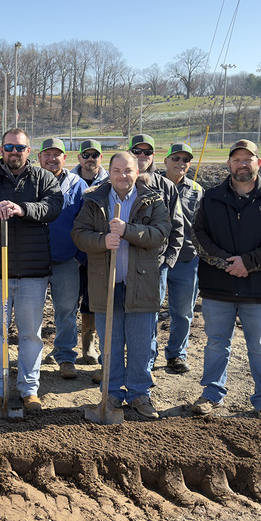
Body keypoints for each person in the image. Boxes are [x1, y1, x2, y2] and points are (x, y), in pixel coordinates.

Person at [191, 140, 261, 423]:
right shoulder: (210, 198)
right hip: (218, 286)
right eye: (236, 159)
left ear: (259, 163)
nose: (242, 164)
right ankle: (211, 394)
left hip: (260, 288)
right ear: (229, 164)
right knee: (215, 344)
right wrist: (227, 263)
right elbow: (198, 235)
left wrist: (248, 262)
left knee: (260, 346)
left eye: (248, 159)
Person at [0, 129, 63, 412]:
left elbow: (54, 205)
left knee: (31, 334)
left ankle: (29, 390)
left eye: (20, 148)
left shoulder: (43, 178)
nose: (14, 152)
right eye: (9, 147)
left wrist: (23, 209)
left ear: (28, 151)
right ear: (2, 150)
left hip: (33, 272)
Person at [72, 152, 170, 419]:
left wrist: (128, 230)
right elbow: (79, 235)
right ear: (110, 171)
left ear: (137, 172)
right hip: (107, 283)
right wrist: (103, 241)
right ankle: (112, 392)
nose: (122, 176)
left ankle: (139, 394)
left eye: (128, 170)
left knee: (140, 344)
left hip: (141, 283)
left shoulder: (152, 200)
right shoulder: (94, 200)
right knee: (110, 343)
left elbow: (160, 234)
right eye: (116, 170)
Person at [128, 134, 184, 371]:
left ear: (153, 157)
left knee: (148, 318)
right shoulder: (118, 182)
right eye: (137, 151)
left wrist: (166, 262)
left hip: (154, 265)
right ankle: (114, 364)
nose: (142, 156)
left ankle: (145, 366)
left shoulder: (167, 187)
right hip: (123, 264)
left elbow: (178, 228)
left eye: (147, 152)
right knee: (121, 316)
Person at [40, 137, 86, 380]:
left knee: (66, 311)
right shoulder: (30, 182)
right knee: (32, 312)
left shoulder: (76, 184)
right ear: (39, 157)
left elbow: (85, 221)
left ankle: (66, 356)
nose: (51, 158)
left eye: (56, 154)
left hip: (67, 261)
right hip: (33, 260)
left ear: (64, 158)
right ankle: (33, 358)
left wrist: (79, 257)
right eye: (47, 154)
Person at [161, 143, 204, 374]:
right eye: (175, 158)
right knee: (148, 311)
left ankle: (177, 354)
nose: (180, 163)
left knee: (183, 312)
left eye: (185, 159)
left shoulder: (197, 190)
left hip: (186, 260)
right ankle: (146, 356)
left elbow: (202, 226)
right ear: (165, 161)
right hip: (155, 259)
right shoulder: (152, 184)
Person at [71, 139, 109, 365]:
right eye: (86, 155)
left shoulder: (109, 181)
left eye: (95, 155)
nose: (90, 159)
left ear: (100, 158)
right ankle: (63, 347)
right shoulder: (68, 180)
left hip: (97, 251)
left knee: (93, 300)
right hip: (71, 252)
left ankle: (88, 345)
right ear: (79, 158)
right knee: (66, 302)